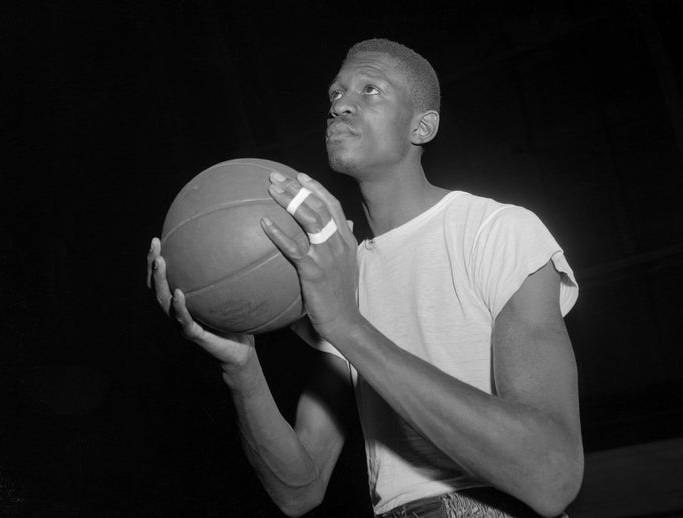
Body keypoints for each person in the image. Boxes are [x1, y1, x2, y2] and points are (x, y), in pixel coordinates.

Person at [147, 38, 583, 518]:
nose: (340, 105)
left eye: (370, 89)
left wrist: (347, 325)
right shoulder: (341, 270)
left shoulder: (496, 230)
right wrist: (241, 368)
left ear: (423, 126)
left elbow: (552, 475)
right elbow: (300, 490)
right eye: (334, 95)